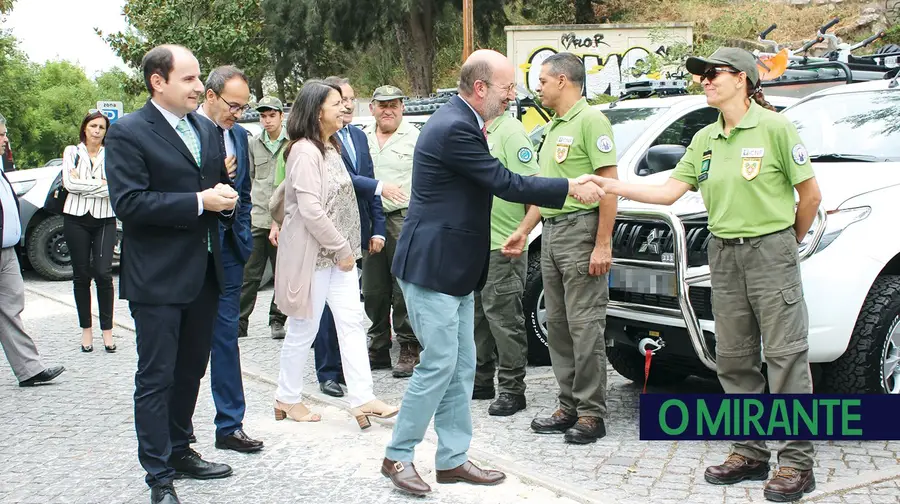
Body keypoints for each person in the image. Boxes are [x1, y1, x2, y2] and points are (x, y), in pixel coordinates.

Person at [589, 47, 822, 503]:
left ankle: (796, 464)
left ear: (742, 79)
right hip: (723, 254)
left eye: (712, 74)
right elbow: (669, 191)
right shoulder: (706, 138)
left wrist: (785, 242)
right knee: (734, 360)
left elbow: (809, 197)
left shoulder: (775, 128)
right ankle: (749, 452)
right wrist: (610, 184)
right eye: (701, 75)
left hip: (770, 250)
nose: (704, 81)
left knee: (785, 358)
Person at [380, 49, 606, 496]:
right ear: (480, 88)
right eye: (507, 88)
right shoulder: (452, 128)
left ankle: (452, 459)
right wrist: (568, 186)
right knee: (439, 364)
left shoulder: (464, 122)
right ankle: (397, 456)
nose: (513, 96)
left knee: (462, 369)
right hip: (433, 269)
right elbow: (504, 181)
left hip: (458, 269)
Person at [105, 45, 239, 504]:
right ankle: (158, 475)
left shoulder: (205, 127)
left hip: (204, 271)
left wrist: (223, 198)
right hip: (158, 278)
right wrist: (201, 201)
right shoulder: (128, 133)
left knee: (190, 371)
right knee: (156, 376)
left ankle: (181, 449)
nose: (199, 87)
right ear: (157, 81)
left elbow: (212, 189)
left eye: (198, 77)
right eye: (188, 78)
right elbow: (129, 203)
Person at [272, 80, 398, 429]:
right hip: (315, 257)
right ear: (316, 112)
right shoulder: (303, 151)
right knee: (304, 328)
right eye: (335, 104)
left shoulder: (332, 146)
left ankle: (363, 397)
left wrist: (346, 249)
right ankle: (287, 396)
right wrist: (343, 249)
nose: (344, 108)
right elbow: (311, 209)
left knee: (352, 322)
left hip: (339, 257)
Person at [519, 52, 618, 445]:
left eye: (542, 80)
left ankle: (592, 412)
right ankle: (568, 404)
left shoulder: (591, 121)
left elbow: (609, 187)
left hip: (581, 230)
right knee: (558, 326)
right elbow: (546, 192)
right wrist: (524, 230)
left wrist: (602, 243)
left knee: (584, 325)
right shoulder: (554, 126)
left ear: (562, 80)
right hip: (553, 232)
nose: (538, 87)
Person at [196, 65, 263, 454]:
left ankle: (230, 425)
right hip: (191, 253)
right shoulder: (186, 132)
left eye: (242, 107)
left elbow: (245, 193)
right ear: (210, 95)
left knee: (227, 340)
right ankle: (178, 433)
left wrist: (243, 240)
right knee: (187, 345)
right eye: (232, 105)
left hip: (231, 253)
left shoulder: (239, 136)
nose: (237, 113)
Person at [472, 109, 540, 416]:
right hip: (475, 245)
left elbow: (533, 188)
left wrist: (522, 232)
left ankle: (513, 389)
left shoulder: (511, 132)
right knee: (477, 319)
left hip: (504, 245)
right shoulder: (475, 130)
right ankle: (480, 379)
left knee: (504, 320)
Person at [0, 113, 66, 387]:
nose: (5, 140)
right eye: (1, 134)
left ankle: (29, 369)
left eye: (4, 134)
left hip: (7, 251)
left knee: (10, 309)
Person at [363, 84, 421, 377]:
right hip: (372, 220)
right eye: (382, 105)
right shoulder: (362, 137)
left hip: (403, 219)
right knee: (372, 289)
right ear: (372, 107)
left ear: (402, 108)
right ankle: (378, 345)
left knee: (403, 287)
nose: (388, 110)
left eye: (394, 105)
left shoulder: (415, 138)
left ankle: (409, 346)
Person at [62, 111, 117, 353]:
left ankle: (107, 330)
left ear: (106, 131)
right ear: (85, 128)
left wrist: (86, 186)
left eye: (101, 127)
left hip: (105, 218)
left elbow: (115, 188)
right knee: (81, 275)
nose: (96, 130)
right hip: (76, 218)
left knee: (104, 274)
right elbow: (69, 184)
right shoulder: (71, 152)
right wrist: (101, 185)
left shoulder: (113, 153)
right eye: (93, 126)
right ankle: (86, 330)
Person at [239, 96, 288, 340]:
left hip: (284, 219)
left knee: (282, 274)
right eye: (263, 116)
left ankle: (277, 320)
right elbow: (248, 178)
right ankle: (240, 322)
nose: (267, 121)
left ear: (281, 116)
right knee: (250, 273)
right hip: (257, 217)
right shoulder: (253, 143)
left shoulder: (292, 143)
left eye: (271, 115)